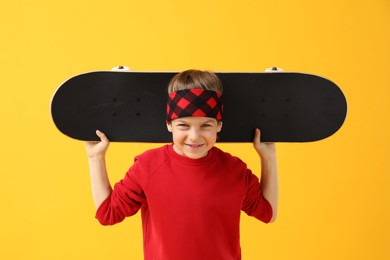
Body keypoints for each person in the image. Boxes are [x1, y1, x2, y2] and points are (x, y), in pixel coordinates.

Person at [85, 69, 279, 260]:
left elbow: (267, 213)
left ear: (219, 126)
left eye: (206, 125)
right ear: (169, 124)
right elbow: (107, 213)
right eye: (183, 125)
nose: (194, 137)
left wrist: (268, 157)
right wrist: (95, 158)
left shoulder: (235, 170)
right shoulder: (147, 167)